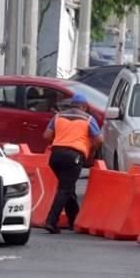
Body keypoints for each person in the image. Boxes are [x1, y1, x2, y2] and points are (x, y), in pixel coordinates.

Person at [42, 93, 103, 234]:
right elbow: (99, 139)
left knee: (68, 187)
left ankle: (73, 220)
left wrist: (58, 142)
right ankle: (51, 221)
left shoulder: (58, 116)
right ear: (84, 106)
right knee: (64, 188)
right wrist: (91, 149)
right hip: (74, 156)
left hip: (55, 156)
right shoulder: (88, 119)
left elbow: (46, 135)